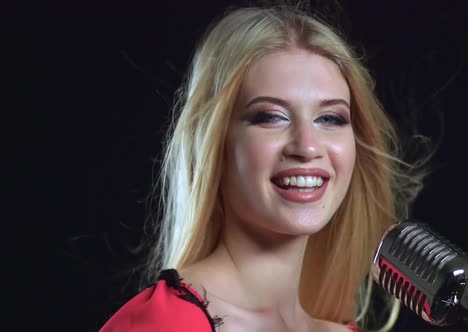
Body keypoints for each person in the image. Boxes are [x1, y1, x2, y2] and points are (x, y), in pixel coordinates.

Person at [100, 3, 428, 331]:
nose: (308, 146)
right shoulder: (166, 323)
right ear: (216, 144)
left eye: (330, 118)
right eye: (271, 117)